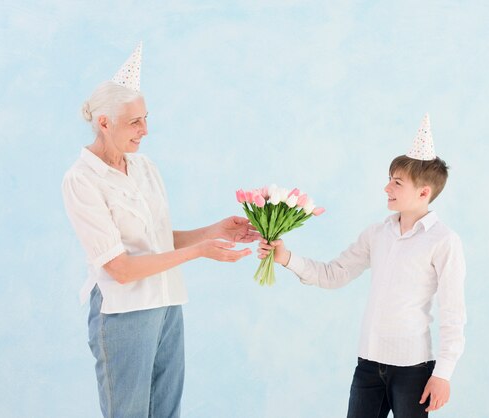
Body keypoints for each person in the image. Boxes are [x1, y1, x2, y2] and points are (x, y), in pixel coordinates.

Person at [62, 42, 259, 418]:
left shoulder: (144, 167)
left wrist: (213, 231)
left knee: (168, 412)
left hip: (167, 305)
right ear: (104, 123)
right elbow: (119, 268)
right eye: (135, 121)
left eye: (145, 118)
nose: (145, 130)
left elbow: (157, 242)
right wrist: (200, 252)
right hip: (124, 313)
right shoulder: (82, 180)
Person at [258, 114, 466, 417]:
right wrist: (286, 258)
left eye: (397, 182)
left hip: (413, 369)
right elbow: (334, 274)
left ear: (424, 193)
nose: (386, 188)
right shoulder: (377, 234)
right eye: (389, 179)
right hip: (368, 365)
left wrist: (443, 374)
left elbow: (453, 313)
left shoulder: (443, 241)